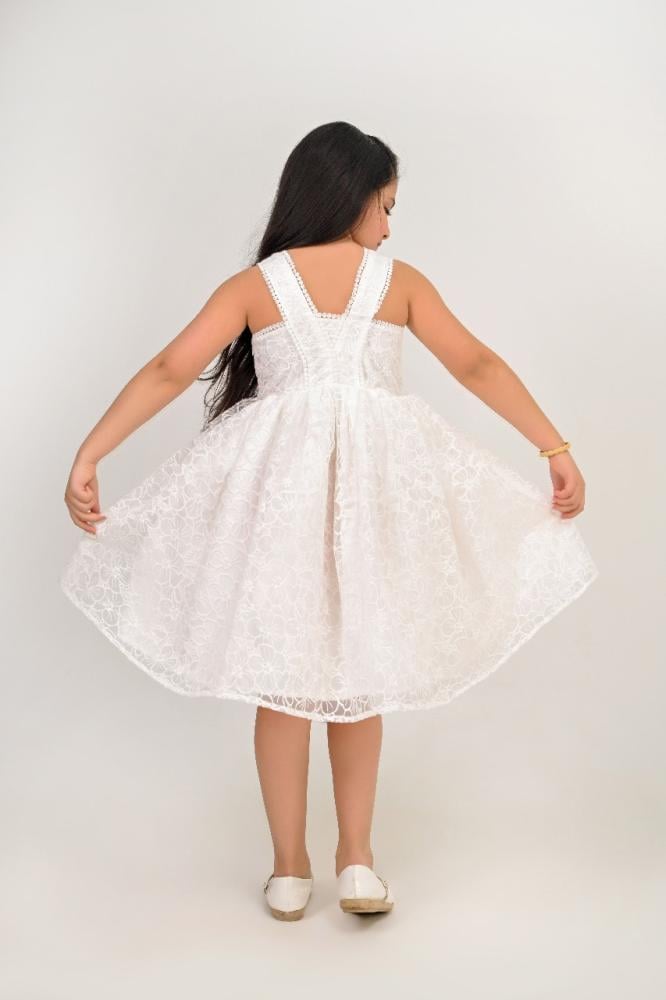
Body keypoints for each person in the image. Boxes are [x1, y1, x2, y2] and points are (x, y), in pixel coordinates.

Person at [60, 121, 599, 921]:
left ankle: (290, 869)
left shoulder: (258, 285)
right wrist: (552, 445)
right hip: (373, 499)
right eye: (387, 206)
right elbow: (476, 363)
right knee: (360, 673)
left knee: (281, 681)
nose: (389, 227)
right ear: (351, 198)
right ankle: (357, 860)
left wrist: (91, 451)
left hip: (278, 495)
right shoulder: (397, 282)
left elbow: (173, 368)